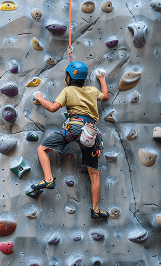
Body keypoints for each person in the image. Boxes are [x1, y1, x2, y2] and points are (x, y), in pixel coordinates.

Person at [31, 61, 110, 219]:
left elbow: (53, 107)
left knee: (42, 149)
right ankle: (95, 210)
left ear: (68, 76)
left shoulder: (68, 91)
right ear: (84, 78)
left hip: (74, 128)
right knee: (94, 174)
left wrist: (39, 98)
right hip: (90, 133)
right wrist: (101, 78)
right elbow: (105, 97)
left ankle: (48, 179)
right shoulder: (93, 90)